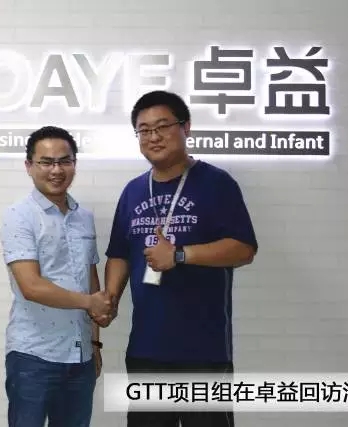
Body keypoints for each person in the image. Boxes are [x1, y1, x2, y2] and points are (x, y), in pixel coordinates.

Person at [102, 90, 258, 427]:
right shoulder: (132, 191)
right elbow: (119, 253)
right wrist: (110, 298)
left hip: (203, 350)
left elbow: (244, 248)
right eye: (144, 130)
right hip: (146, 348)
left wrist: (180, 255)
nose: (153, 137)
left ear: (185, 127)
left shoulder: (216, 183)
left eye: (162, 126)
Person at [0, 125, 112, 427]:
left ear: (74, 164)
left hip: (80, 357)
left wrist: (95, 343)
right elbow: (31, 286)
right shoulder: (19, 215)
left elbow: (91, 281)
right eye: (46, 162)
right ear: (29, 166)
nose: (56, 170)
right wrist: (90, 302)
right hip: (32, 357)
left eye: (65, 161)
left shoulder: (84, 218)